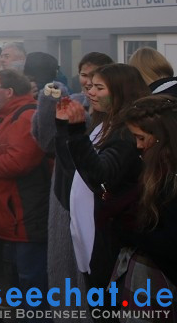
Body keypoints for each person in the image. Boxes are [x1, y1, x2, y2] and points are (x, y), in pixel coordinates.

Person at [55, 63, 149, 289]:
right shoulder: (105, 123)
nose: (90, 92)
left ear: (120, 91)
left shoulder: (127, 132)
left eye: (99, 88)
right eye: (90, 86)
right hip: (93, 234)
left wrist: (77, 134)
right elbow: (73, 168)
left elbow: (100, 177)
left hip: (110, 237)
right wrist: (63, 128)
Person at [31, 52, 111, 291]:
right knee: (63, 262)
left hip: (90, 194)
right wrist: (48, 101)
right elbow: (46, 142)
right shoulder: (71, 99)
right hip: (63, 188)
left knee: (85, 270)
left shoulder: (113, 113)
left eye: (94, 77)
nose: (87, 81)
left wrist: (79, 121)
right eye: (84, 75)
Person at [0, 69, 49, 293]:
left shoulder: (25, 116)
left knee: (31, 281)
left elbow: (18, 162)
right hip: (13, 212)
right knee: (19, 277)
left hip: (26, 212)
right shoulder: (7, 114)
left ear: (8, 91)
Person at [113, 96, 177, 292]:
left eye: (141, 138)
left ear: (161, 136)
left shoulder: (169, 177)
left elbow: (169, 242)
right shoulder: (157, 169)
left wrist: (130, 231)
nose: (138, 145)